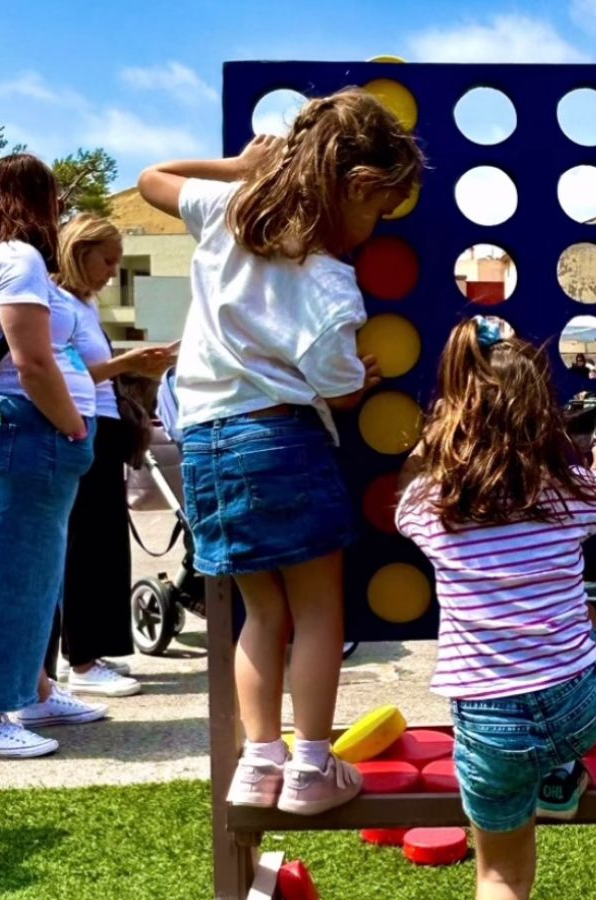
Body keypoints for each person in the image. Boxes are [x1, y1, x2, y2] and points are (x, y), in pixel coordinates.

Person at [137, 90, 424, 813]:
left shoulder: (225, 212)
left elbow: (151, 178)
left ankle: (259, 762)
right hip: (281, 439)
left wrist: (236, 168)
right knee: (320, 609)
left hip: (204, 441)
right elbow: (338, 389)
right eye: (378, 211)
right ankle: (310, 768)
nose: (374, 227)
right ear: (354, 187)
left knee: (258, 614)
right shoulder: (329, 279)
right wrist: (362, 378)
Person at [396, 316, 596, 900]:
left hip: (490, 727)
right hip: (580, 709)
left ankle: (549, 774)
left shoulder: (434, 503)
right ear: (543, 413)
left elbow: (399, 494)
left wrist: (431, 443)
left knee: (500, 874)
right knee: (583, 616)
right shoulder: (566, 488)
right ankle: (558, 772)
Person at [0, 155, 98, 758]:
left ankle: (33, 691)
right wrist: (73, 429)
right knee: (12, 573)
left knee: (32, 569)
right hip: (28, 427)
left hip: (2, 426)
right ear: (47, 201)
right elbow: (33, 362)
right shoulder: (19, 258)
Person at [44, 214, 177, 697]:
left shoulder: (81, 305)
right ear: (81, 253)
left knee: (102, 545)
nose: (112, 270)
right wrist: (128, 363)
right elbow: (68, 370)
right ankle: (81, 659)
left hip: (101, 427)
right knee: (85, 546)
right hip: (83, 429)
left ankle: (90, 653)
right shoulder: (57, 303)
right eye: (108, 259)